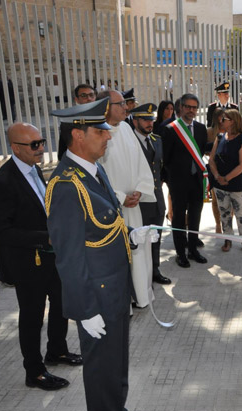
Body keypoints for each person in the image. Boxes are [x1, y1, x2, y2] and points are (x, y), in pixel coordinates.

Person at [47, 99, 152, 411]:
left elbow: (102, 226)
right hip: (96, 292)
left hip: (115, 284)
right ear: (78, 135)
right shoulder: (66, 185)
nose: (108, 136)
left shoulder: (92, 170)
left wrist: (131, 236)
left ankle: (116, 408)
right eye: (100, 131)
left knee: (116, 354)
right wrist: (84, 309)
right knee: (100, 361)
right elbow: (69, 257)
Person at [0, 122, 82, 392]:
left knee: (62, 301)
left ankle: (57, 350)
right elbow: (2, 232)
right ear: (15, 148)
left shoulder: (35, 170)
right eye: (34, 145)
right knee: (32, 316)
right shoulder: (2, 182)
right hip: (26, 261)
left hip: (50, 256)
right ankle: (35, 371)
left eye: (41, 142)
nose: (41, 148)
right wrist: (45, 237)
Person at [97, 90, 156, 308]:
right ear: (105, 106)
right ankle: (122, 302)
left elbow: (141, 162)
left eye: (125, 103)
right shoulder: (97, 131)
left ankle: (140, 295)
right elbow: (97, 172)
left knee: (138, 251)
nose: (126, 107)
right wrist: (120, 197)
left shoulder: (126, 129)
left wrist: (140, 189)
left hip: (133, 204)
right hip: (112, 207)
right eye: (120, 103)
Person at [162, 93, 209, 268]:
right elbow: (165, 159)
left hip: (196, 180)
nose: (191, 110)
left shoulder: (202, 128)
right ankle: (180, 253)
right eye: (188, 106)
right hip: (178, 182)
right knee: (179, 218)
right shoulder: (170, 129)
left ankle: (193, 249)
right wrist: (171, 180)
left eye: (194, 107)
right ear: (180, 107)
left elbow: (201, 152)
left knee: (196, 216)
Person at [131, 103, 171, 285]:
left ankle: (155, 269)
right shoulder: (129, 143)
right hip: (138, 201)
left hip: (157, 199)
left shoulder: (157, 140)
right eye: (145, 120)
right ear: (134, 120)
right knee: (139, 239)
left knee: (155, 236)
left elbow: (160, 169)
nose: (150, 123)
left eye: (151, 119)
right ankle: (140, 275)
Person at [208, 109, 242, 253]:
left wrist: (226, 178)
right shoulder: (220, 137)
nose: (221, 121)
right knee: (224, 214)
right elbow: (212, 159)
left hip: (237, 185)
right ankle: (228, 240)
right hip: (219, 185)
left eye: (224, 119)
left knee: (240, 214)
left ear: (232, 121)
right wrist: (217, 176)